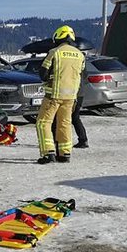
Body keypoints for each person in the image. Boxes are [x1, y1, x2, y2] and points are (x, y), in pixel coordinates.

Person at [36, 25, 85, 164]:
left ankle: (48, 153)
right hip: (70, 97)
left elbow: (43, 74)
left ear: (58, 37)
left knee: (43, 123)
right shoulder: (80, 55)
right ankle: (65, 154)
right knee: (64, 123)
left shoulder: (54, 52)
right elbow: (81, 75)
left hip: (53, 95)